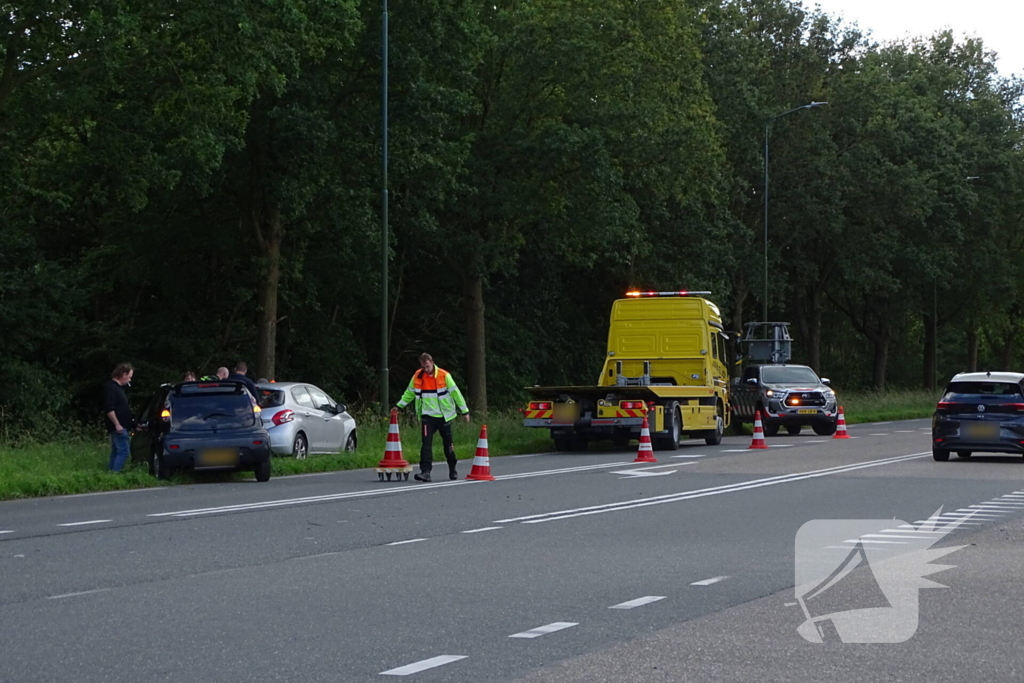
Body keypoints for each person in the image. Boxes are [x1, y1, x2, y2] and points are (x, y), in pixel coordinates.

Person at [395, 353, 470, 482]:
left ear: (432, 362)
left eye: (427, 366)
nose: (426, 369)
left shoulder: (444, 375)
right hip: (427, 416)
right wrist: (399, 406)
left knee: (448, 444)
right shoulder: (418, 376)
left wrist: (465, 411)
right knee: (426, 444)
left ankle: (452, 468)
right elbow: (409, 393)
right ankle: (425, 472)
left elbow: (456, 393)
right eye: (423, 367)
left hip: (444, 416)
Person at [103, 363, 135, 472]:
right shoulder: (111, 388)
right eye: (129, 377)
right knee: (124, 451)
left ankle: (111, 473)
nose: (130, 380)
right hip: (119, 427)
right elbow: (109, 408)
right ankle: (115, 473)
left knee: (116, 451)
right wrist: (117, 424)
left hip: (123, 425)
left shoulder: (119, 389)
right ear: (123, 374)